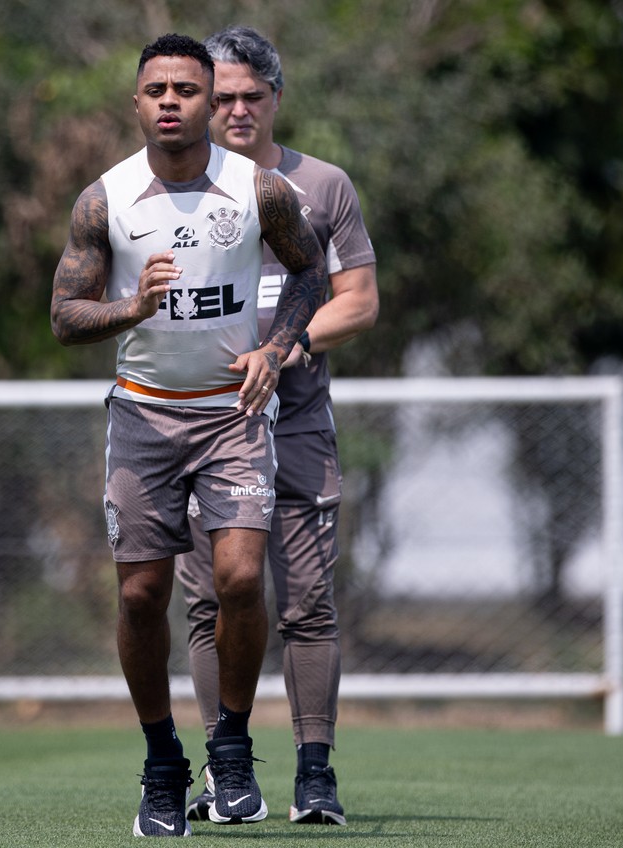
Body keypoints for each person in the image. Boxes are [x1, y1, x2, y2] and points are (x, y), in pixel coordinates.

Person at [50, 33, 328, 837]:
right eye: (156, 89)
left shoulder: (259, 189)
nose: (171, 100)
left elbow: (311, 272)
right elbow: (67, 317)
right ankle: (162, 760)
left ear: (213, 101)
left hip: (232, 414)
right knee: (142, 595)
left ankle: (232, 748)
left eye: (187, 89)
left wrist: (275, 350)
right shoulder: (104, 199)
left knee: (240, 580)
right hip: (141, 415)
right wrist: (134, 307)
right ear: (136, 103)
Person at [175, 25, 378, 827]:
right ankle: (226, 770)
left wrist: (287, 345)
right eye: (218, 97)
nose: (234, 111)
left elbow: (358, 300)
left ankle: (316, 776)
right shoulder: (174, 186)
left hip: (293, 428)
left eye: (249, 97)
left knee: (307, 605)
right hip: (201, 427)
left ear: (275, 99)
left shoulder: (322, 186)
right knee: (209, 605)